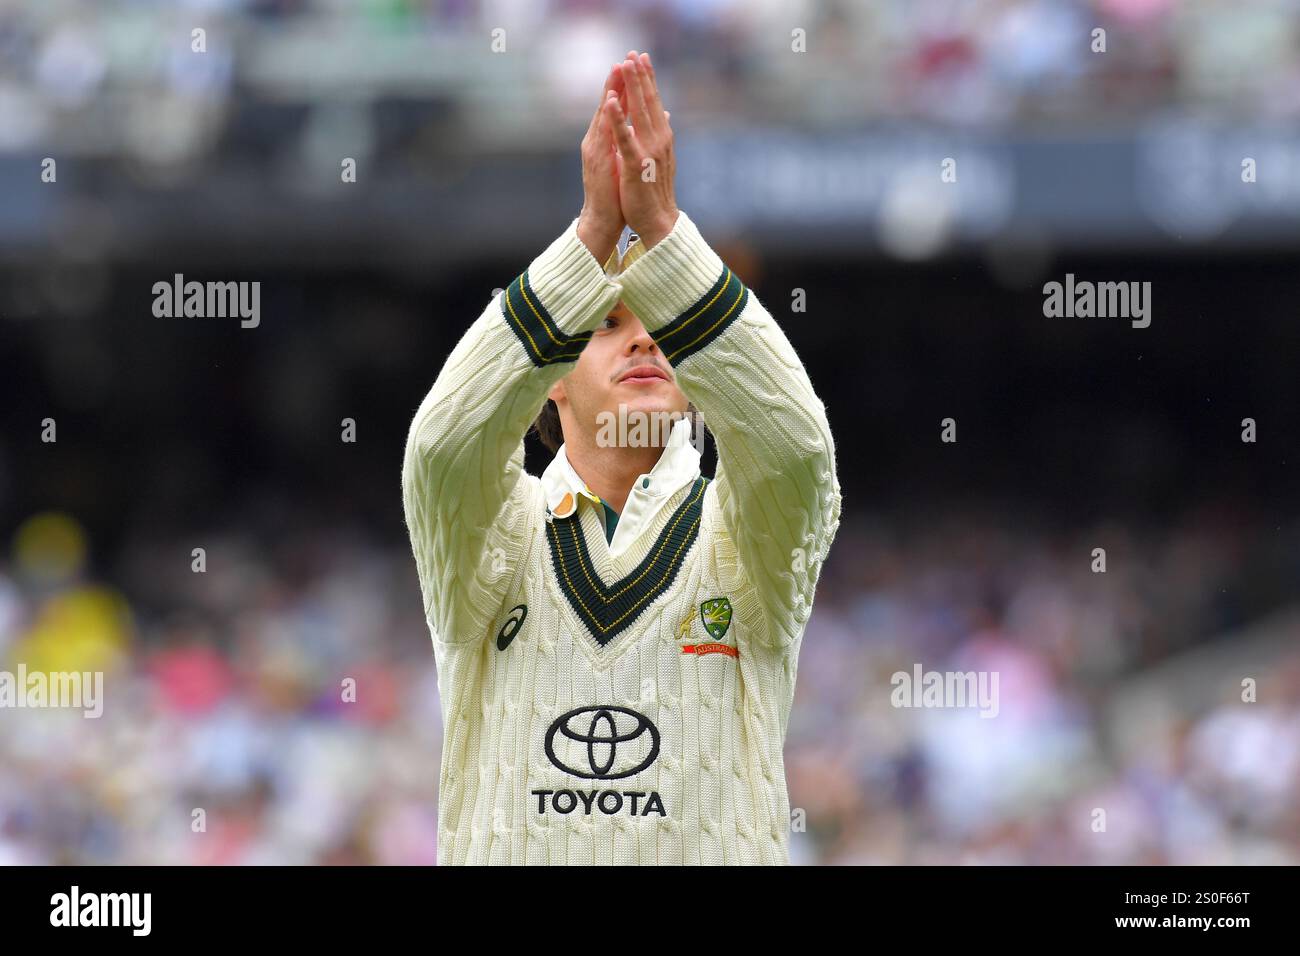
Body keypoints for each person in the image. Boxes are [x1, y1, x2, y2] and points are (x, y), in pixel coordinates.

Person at [403, 50, 841, 865]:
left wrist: (667, 234)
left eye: (661, 322)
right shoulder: (495, 546)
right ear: (550, 383)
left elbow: (797, 452)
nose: (643, 335)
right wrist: (591, 237)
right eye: (604, 323)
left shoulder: (739, 545)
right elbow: (442, 448)